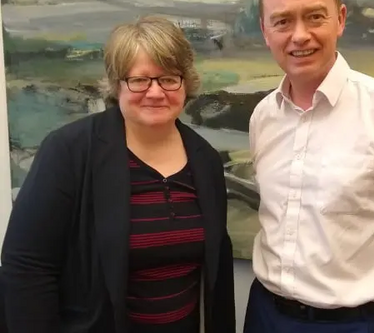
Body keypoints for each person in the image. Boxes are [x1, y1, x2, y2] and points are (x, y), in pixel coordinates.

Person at [1, 15, 235, 333]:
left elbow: (216, 270)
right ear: (116, 84)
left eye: (168, 78)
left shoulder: (204, 159)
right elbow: (27, 267)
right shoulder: (68, 151)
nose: (155, 92)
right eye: (139, 80)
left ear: (185, 83)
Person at [243, 0, 374, 332]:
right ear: (265, 30)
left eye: (314, 17)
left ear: (339, 20)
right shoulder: (264, 117)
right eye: (282, 21)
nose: (300, 36)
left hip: (354, 323)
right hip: (265, 314)